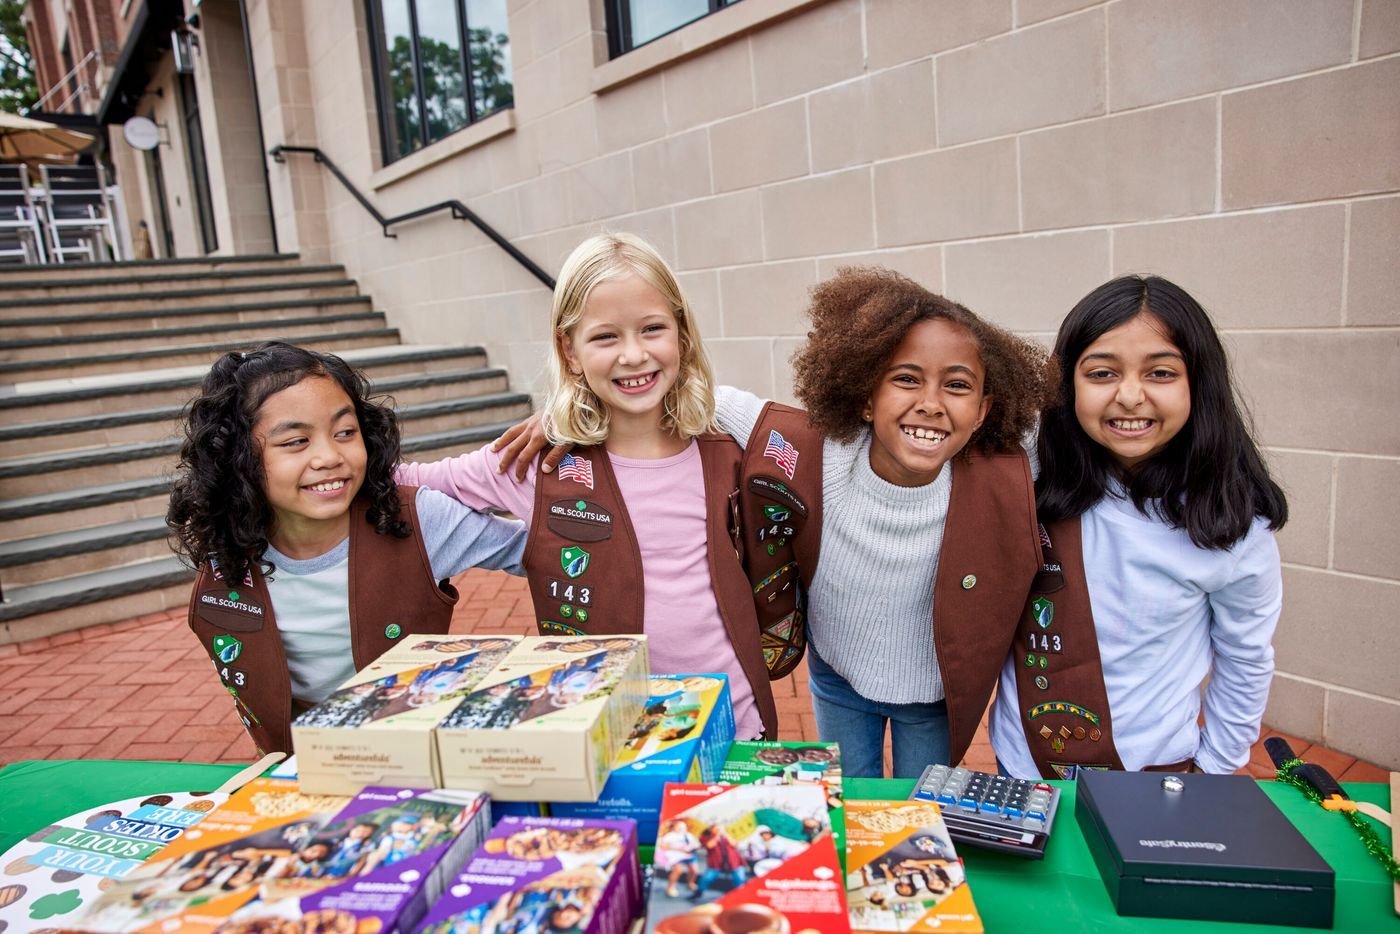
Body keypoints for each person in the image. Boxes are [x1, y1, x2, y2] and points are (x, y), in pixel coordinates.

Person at [494, 269, 1053, 777]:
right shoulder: (815, 448)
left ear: (983, 410)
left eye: (957, 386)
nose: (931, 403)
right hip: (837, 679)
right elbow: (692, 395)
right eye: (905, 379)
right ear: (864, 395)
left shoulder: (1005, 469)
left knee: (920, 813)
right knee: (845, 803)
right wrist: (570, 411)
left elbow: (1086, 438)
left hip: (935, 695)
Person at [397, 233, 780, 741]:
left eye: (652, 329)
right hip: (604, 729)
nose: (633, 354)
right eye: (605, 337)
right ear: (569, 350)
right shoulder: (538, 463)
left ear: (682, 335)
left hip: (732, 719)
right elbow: (414, 480)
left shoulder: (727, 447)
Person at [166, 342, 528, 755]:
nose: (329, 457)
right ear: (237, 458)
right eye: (296, 441)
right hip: (304, 770)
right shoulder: (229, 545)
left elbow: (538, 552)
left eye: (345, 433)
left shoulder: (417, 518)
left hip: (421, 756)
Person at [989, 276, 1286, 779]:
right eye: (1102, 373)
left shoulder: (1232, 524)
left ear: (1199, 383)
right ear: (1067, 385)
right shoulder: (1029, 477)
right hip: (1023, 763)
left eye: (1161, 373)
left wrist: (1215, 768)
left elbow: (1245, 658)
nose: (1130, 396)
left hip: (1155, 772)